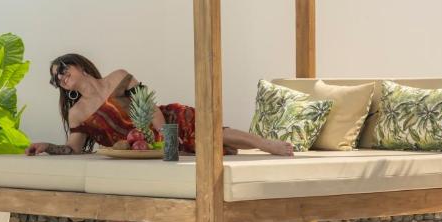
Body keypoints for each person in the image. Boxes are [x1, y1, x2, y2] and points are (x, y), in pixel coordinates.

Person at [25, 53, 295, 156]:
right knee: (219, 148)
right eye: (55, 78)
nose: (60, 76)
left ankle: (264, 144)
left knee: (202, 130)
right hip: (137, 146)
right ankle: (238, 146)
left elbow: (149, 105)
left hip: (163, 122)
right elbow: (73, 148)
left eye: (61, 69)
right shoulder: (77, 113)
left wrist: (167, 139)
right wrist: (47, 147)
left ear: (79, 65)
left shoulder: (118, 77)